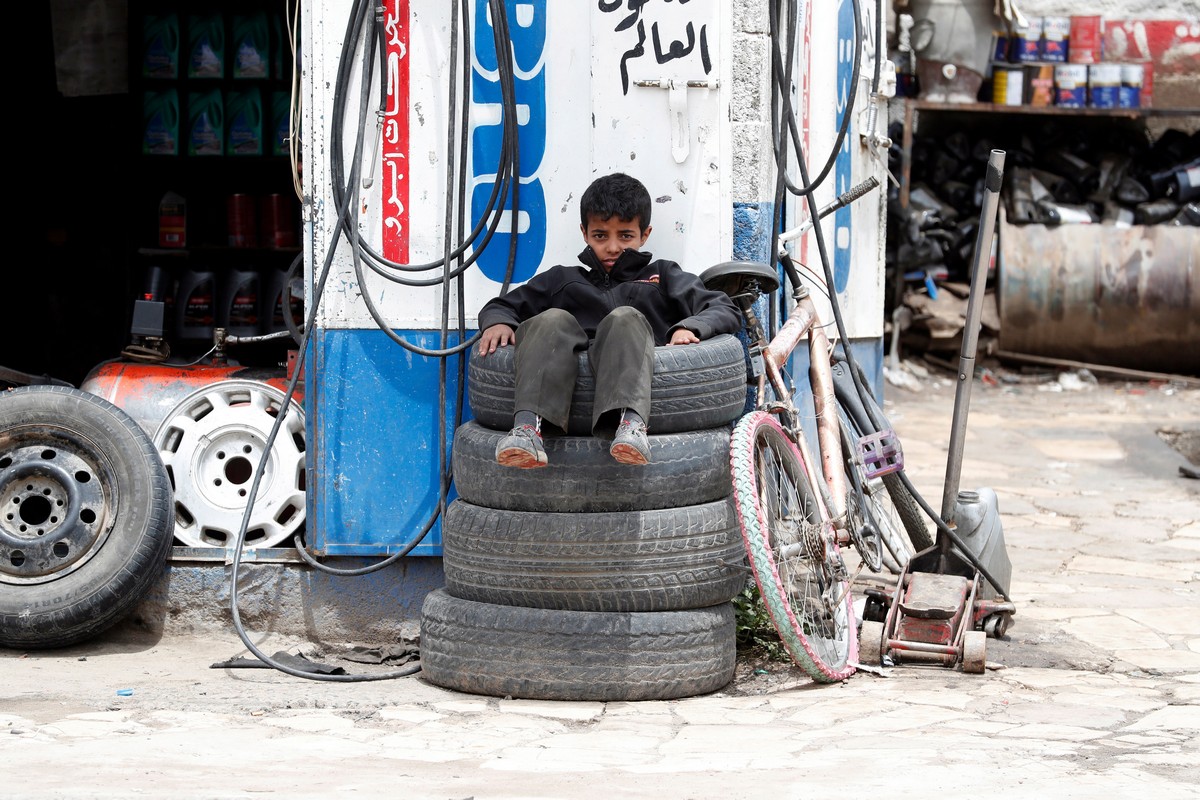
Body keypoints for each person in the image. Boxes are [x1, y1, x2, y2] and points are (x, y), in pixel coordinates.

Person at [475, 172, 742, 468]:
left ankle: (631, 426)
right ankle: (526, 429)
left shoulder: (662, 277)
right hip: (566, 371)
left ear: (645, 234)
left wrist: (689, 327)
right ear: (585, 233)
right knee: (549, 320)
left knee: (624, 318)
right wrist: (498, 321)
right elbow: (502, 305)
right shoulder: (562, 280)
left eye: (625, 236)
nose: (613, 247)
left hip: (634, 372)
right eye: (601, 235)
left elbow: (723, 307)